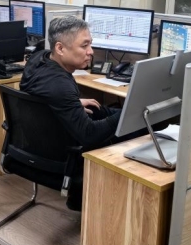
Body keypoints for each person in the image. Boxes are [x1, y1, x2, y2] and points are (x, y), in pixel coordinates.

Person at [20, 15, 124, 210]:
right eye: (84, 46)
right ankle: (96, 204)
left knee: (98, 109)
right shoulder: (60, 85)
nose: (91, 52)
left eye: (90, 44)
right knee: (125, 128)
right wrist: (127, 115)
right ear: (60, 48)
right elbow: (89, 135)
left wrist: (72, 102)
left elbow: (41, 94)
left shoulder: (38, 58)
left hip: (38, 140)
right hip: (61, 154)